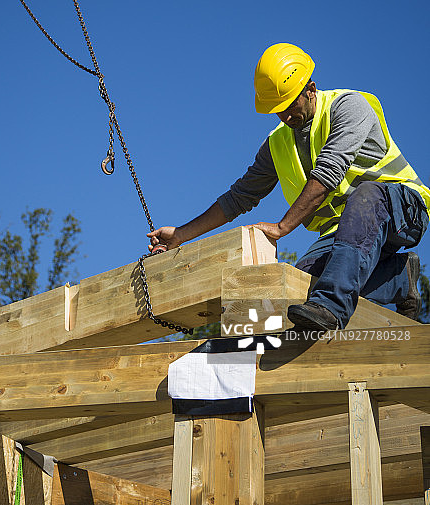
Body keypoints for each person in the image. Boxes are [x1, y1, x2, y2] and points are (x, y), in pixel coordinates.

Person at [148, 43, 430, 331]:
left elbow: (329, 173)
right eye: (277, 110)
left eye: (290, 105)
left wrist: (282, 227)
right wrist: (181, 234)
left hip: (402, 211)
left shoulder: (349, 107)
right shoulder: (277, 144)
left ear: (311, 89)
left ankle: (331, 308)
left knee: (366, 197)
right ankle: (399, 278)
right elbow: (238, 197)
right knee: (296, 286)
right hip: (344, 232)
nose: (284, 116)